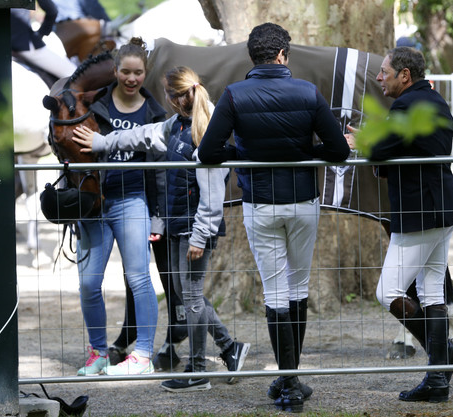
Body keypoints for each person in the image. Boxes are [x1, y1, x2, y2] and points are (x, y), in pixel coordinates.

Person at [197, 23, 350, 412]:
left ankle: (289, 381)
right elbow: (337, 150)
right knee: (297, 288)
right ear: (283, 54)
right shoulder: (307, 92)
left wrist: (247, 156)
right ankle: (290, 379)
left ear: (253, 56)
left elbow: (210, 151)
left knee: (276, 292)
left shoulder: (234, 94)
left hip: (261, 204)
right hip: (303, 202)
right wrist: (304, 151)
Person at [72, 65, 251, 391]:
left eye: (171, 94)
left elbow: (213, 190)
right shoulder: (175, 124)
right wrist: (103, 142)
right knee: (188, 295)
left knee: (191, 296)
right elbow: (141, 135)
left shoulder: (206, 127)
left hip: (196, 229)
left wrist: (200, 235)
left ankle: (198, 371)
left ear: (171, 96)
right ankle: (229, 347)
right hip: (179, 224)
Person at [345, 46, 453, 403]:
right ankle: (438, 379)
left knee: (388, 292)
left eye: (384, 72)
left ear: (404, 76)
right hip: (441, 209)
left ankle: (441, 354)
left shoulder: (406, 105)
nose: (379, 78)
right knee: (430, 292)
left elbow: (384, 149)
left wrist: (364, 142)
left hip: (422, 214)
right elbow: (398, 146)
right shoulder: (432, 99)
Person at [73, 37, 164, 376]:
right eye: (125, 71)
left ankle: (142, 355)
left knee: (139, 278)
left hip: (132, 201)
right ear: (114, 71)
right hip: (95, 205)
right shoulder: (93, 106)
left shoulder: (154, 113)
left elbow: (158, 172)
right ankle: (98, 353)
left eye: (138, 72)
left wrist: (156, 216)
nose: (131, 78)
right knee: (88, 282)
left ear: (145, 73)